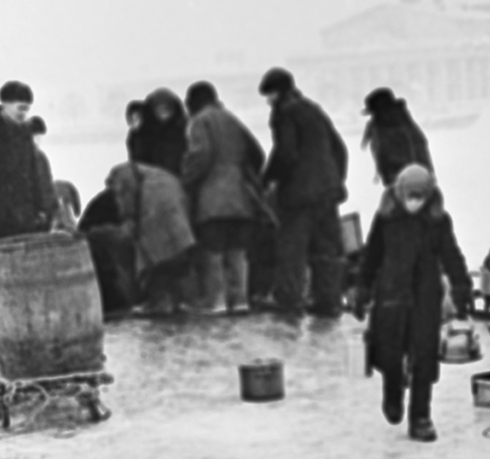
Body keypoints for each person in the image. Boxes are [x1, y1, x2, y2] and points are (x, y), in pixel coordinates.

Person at [353, 164, 473, 442]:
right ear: (400, 193)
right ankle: (392, 393)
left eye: (420, 196)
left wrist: (461, 288)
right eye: (410, 195)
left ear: (429, 195)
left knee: (424, 357)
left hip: (425, 297)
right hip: (391, 296)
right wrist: (361, 289)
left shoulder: (438, 221)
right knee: (390, 353)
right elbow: (371, 255)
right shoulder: (386, 219)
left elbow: (452, 256)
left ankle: (421, 417)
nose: (414, 202)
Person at [259, 67, 348, 318]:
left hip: (299, 195)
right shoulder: (313, 110)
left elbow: (285, 152)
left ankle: (289, 300)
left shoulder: (284, 113)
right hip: (327, 193)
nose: (268, 102)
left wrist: (269, 179)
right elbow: (339, 149)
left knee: (292, 249)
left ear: (278, 92)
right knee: (327, 249)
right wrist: (334, 180)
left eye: (269, 96)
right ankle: (328, 301)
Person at [182, 81, 267, 315]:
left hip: (213, 197)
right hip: (240, 198)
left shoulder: (200, 121)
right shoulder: (231, 119)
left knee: (213, 251)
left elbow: (201, 155)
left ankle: (216, 301)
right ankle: (240, 300)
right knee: (238, 252)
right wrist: (247, 176)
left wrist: (186, 179)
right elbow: (257, 154)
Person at [0, 80, 58, 239]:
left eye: (27, 109)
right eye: (20, 108)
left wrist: (44, 209)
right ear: (5, 103)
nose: (23, 114)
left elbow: (35, 174)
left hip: (26, 214)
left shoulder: (25, 134)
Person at [107, 161, 196, 316]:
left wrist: (128, 217)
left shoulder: (122, 175)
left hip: (155, 210)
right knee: (176, 257)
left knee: (155, 259)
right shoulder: (156, 174)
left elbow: (127, 194)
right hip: (176, 209)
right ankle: (179, 301)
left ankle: (160, 303)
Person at [361, 87, 433, 186]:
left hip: (409, 180)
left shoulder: (395, 124)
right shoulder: (382, 124)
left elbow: (416, 151)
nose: (372, 116)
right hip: (398, 179)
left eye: (373, 112)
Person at [26, 115, 78, 233]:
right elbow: (44, 188)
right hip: (39, 216)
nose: (39, 141)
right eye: (37, 137)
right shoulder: (38, 157)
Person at [129, 88, 187, 177]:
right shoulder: (144, 132)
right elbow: (137, 160)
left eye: (166, 109)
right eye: (159, 109)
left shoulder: (184, 129)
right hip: (151, 179)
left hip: (179, 179)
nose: (163, 113)